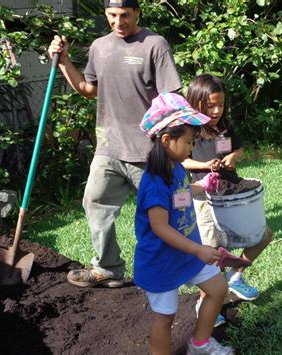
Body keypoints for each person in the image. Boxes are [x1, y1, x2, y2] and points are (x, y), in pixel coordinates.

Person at [47, 0, 182, 287]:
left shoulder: (154, 45)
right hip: (108, 147)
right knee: (94, 202)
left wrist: (169, 144)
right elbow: (87, 89)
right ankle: (108, 268)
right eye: (112, 15)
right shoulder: (99, 47)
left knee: (165, 213)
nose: (118, 22)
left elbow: (172, 99)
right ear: (106, 14)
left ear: (137, 13)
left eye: (124, 15)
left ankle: (183, 266)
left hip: (147, 151)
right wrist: (63, 61)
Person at [136, 92, 234, 355]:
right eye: (190, 142)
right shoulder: (154, 182)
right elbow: (160, 227)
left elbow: (180, 194)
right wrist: (198, 250)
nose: (192, 148)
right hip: (163, 260)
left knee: (217, 287)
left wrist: (201, 186)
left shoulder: (176, 167)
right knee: (165, 318)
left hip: (186, 252)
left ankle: (199, 343)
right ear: (167, 140)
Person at [183, 74, 273, 326]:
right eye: (209, 105)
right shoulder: (189, 130)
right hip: (205, 195)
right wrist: (204, 165)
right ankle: (205, 302)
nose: (216, 110)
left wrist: (233, 157)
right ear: (195, 102)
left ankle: (236, 276)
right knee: (212, 251)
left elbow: (239, 148)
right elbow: (182, 160)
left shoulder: (225, 126)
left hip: (233, 191)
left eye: (220, 105)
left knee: (263, 235)